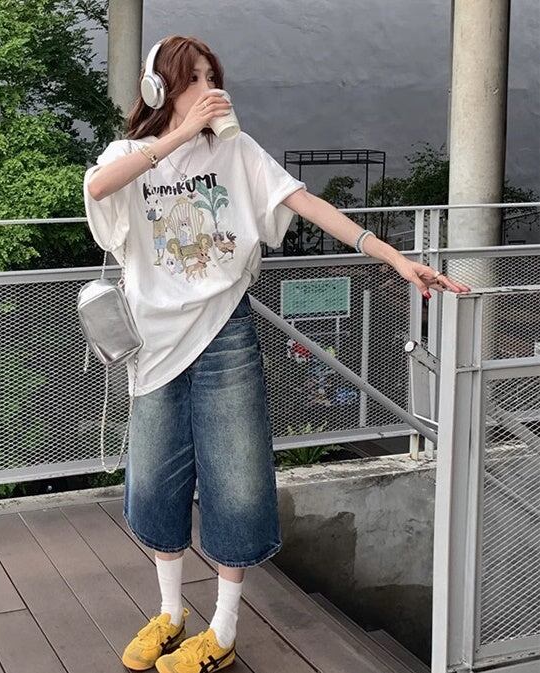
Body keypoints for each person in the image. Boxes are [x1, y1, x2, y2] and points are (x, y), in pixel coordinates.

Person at [83, 35, 470, 673]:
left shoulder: (237, 151)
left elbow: (306, 203)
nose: (208, 89)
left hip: (225, 332)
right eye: (192, 78)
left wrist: (394, 257)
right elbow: (100, 188)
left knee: (236, 479)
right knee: (155, 480)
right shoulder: (131, 154)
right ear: (158, 89)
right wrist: (182, 135)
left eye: (212, 76)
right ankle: (171, 614)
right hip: (154, 344)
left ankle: (223, 629)